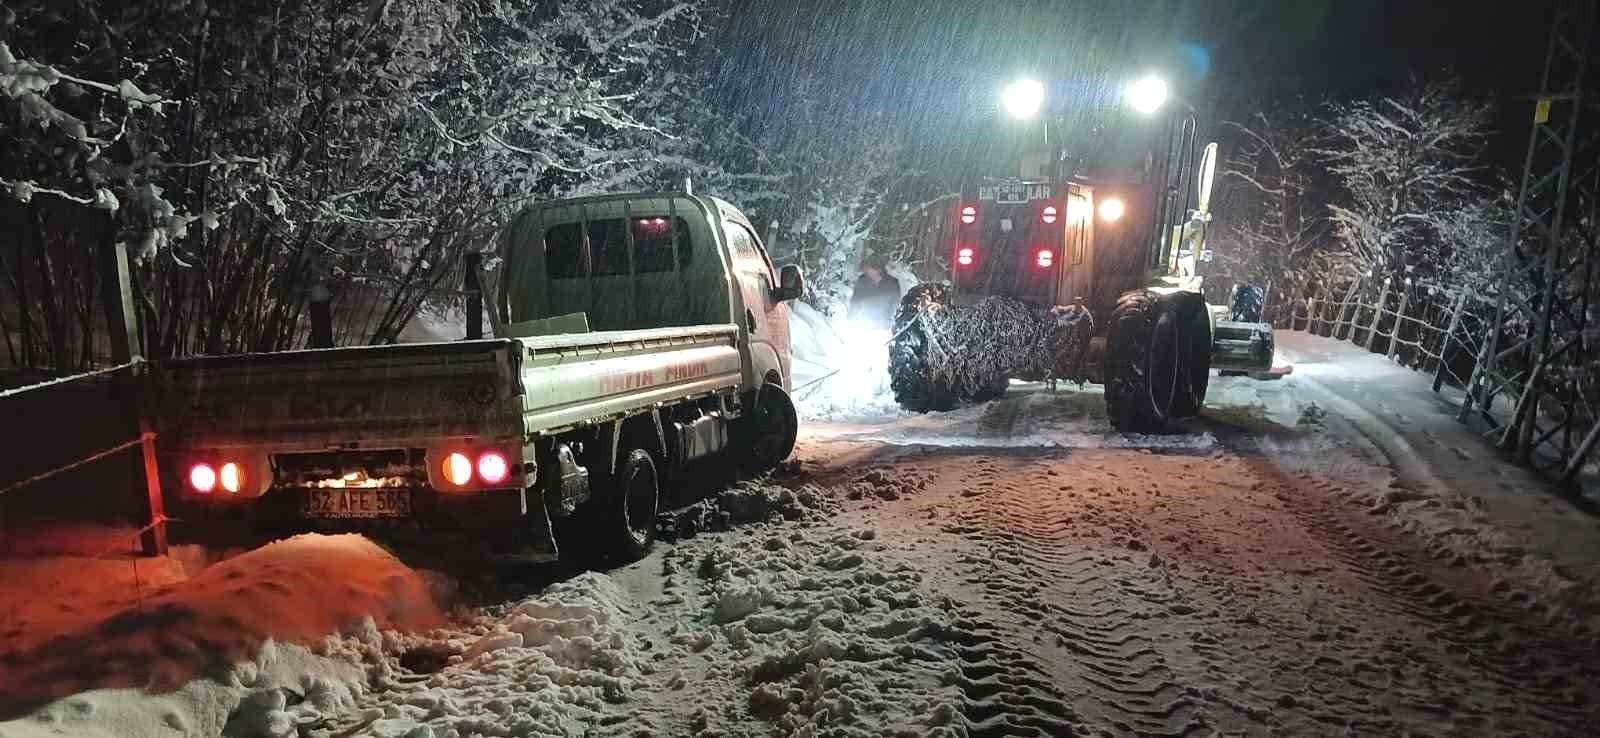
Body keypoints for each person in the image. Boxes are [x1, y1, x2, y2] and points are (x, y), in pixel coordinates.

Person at [847, 258, 901, 330]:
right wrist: (850, 318)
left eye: (868, 268)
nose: (865, 271)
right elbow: (855, 301)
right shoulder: (862, 281)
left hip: (885, 325)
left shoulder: (892, 283)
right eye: (865, 269)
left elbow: (895, 305)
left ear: (878, 270)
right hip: (865, 323)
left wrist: (890, 323)